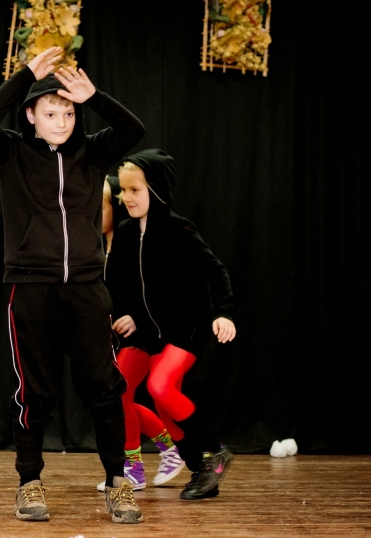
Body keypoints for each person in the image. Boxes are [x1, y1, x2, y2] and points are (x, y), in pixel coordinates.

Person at [0, 46, 145, 524]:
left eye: (68, 113)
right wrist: (25, 75)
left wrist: (96, 97)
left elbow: (133, 130)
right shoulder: (12, 152)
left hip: (86, 288)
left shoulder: (93, 152)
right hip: (31, 289)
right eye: (50, 113)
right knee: (35, 392)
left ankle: (118, 482)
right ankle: (29, 482)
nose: (62, 121)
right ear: (31, 115)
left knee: (105, 387)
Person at [109, 149, 236, 500]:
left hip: (185, 328)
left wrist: (224, 312)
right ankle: (199, 466)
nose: (126, 197)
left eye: (135, 190)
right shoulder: (125, 232)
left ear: (157, 190)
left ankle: (215, 451)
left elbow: (215, 270)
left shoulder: (179, 229)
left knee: (161, 387)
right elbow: (118, 284)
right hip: (147, 333)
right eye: (123, 190)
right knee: (119, 388)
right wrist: (125, 313)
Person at [97, 175, 187, 491]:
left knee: (119, 392)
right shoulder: (101, 246)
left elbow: (156, 287)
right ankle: (169, 448)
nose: (93, 213)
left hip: (145, 335)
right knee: (116, 399)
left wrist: (135, 316)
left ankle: (133, 467)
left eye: (100, 207)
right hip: (114, 336)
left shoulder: (135, 240)